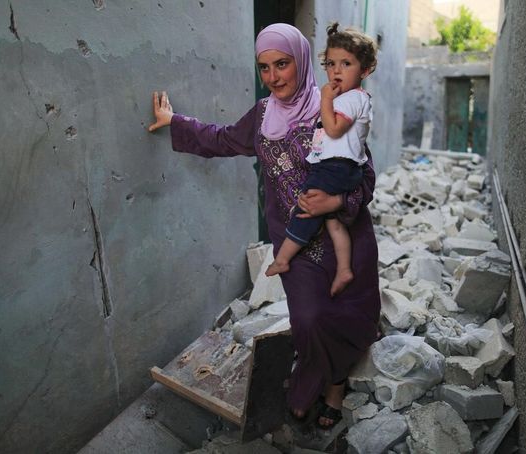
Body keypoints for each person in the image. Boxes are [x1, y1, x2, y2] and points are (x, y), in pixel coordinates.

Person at [148, 23, 380, 429]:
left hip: (347, 235)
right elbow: (221, 139)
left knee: (347, 314)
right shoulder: (261, 117)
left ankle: (336, 385)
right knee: (308, 319)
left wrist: (338, 200)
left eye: (283, 64)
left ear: (303, 62)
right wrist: (175, 122)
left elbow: (366, 176)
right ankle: (314, 377)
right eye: (264, 68)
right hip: (295, 244)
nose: (273, 77)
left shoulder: (338, 107)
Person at [264, 23, 378, 299]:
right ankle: (343, 268)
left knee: (307, 207)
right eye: (330, 64)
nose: (336, 71)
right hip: (338, 165)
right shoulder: (346, 99)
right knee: (332, 222)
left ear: (364, 70)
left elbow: (334, 129)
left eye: (346, 64)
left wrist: (326, 99)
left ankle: (284, 257)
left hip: (336, 167)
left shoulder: (349, 99)